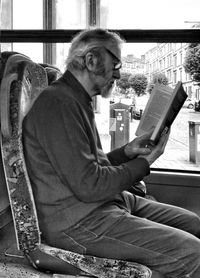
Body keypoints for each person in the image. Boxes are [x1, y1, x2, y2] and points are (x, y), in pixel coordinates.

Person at [22, 28, 200, 278]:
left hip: (104, 203)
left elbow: (91, 167)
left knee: (193, 222)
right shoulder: (59, 103)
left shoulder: (76, 100)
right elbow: (90, 184)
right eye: (115, 62)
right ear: (91, 59)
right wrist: (146, 161)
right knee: (193, 253)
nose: (118, 72)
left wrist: (128, 151)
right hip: (78, 221)